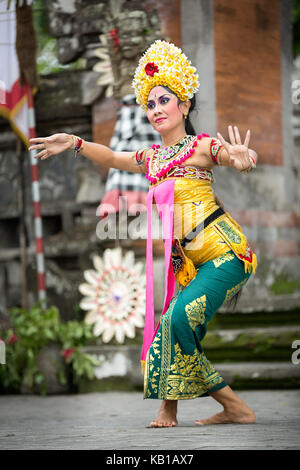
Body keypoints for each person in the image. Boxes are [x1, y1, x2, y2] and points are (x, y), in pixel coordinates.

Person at [29, 40, 258, 428]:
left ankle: (234, 406)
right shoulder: (153, 158)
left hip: (225, 254)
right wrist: (75, 143)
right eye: (150, 104)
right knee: (166, 327)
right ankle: (170, 409)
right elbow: (114, 158)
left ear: (184, 104)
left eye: (164, 101)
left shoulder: (199, 147)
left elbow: (227, 153)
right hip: (193, 264)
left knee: (178, 322)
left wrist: (242, 158)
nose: (156, 110)